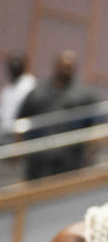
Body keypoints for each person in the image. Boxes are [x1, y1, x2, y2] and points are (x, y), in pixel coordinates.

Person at [17, 50, 99, 180]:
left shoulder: (84, 95)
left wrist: (91, 151)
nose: (66, 70)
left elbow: (96, 125)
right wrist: (19, 149)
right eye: (63, 66)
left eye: (69, 67)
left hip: (71, 160)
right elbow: (21, 122)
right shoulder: (38, 92)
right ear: (56, 66)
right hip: (38, 160)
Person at [0, 52, 37, 138]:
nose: (14, 66)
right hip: (6, 134)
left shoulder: (31, 84)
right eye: (11, 64)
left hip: (23, 134)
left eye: (17, 62)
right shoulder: (6, 91)